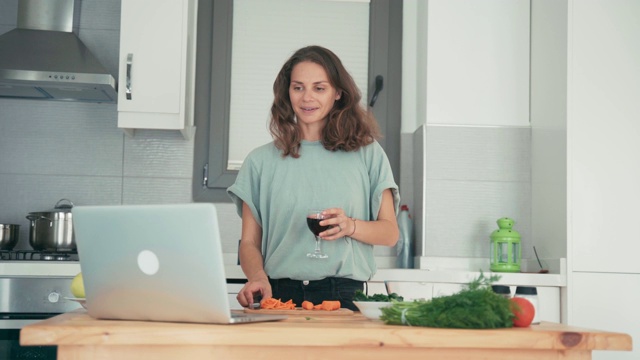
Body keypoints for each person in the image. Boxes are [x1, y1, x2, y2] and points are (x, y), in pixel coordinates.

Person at [227, 45, 400, 311]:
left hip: (342, 296)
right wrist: (258, 278)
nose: (307, 98)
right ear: (288, 93)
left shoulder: (368, 153)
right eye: (298, 87)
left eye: (319, 88)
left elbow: (389, 233)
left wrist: (350, 226)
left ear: (338, 93)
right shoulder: (259, 161)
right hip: (279, 296)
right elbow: (250, 242)